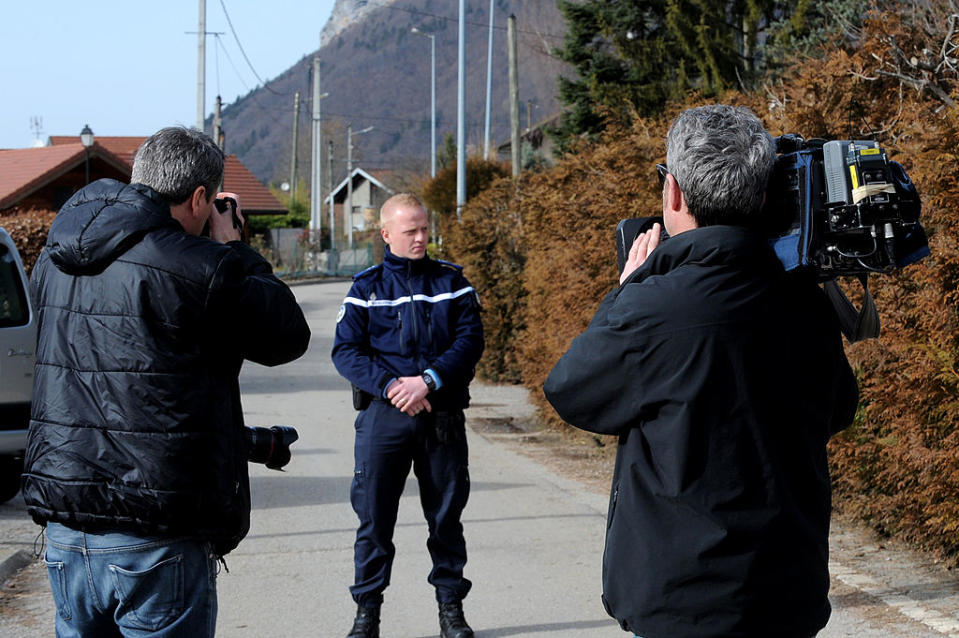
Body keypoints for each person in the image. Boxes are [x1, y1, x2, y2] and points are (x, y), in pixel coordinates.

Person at [543, 105, 859, 638]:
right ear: (762, 196)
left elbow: (572, 391)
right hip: (788, 588)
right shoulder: (805, 301)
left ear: (674, 193)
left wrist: (629, 289)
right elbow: (839, 407)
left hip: (683, 598)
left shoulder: (653, 307)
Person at [21, 127, 311, 638]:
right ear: (200, 197)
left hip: (66, 525)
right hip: (155, 529)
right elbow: (285, 336)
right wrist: (235, 248)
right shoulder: (201, 266)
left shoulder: (53, 258)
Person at [332, 193, 484, 638]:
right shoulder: (365, 288)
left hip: (441, 416)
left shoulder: (452, 282)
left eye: (423, 229)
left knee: (446, 520)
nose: (420, 238)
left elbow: (469, 341)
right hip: (385, 417)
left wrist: (429, 381)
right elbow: (346, 351)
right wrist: (394, 386)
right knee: (374, 520)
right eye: (410, 231)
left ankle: (451, 610)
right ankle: (367, 613)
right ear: (386, 234)